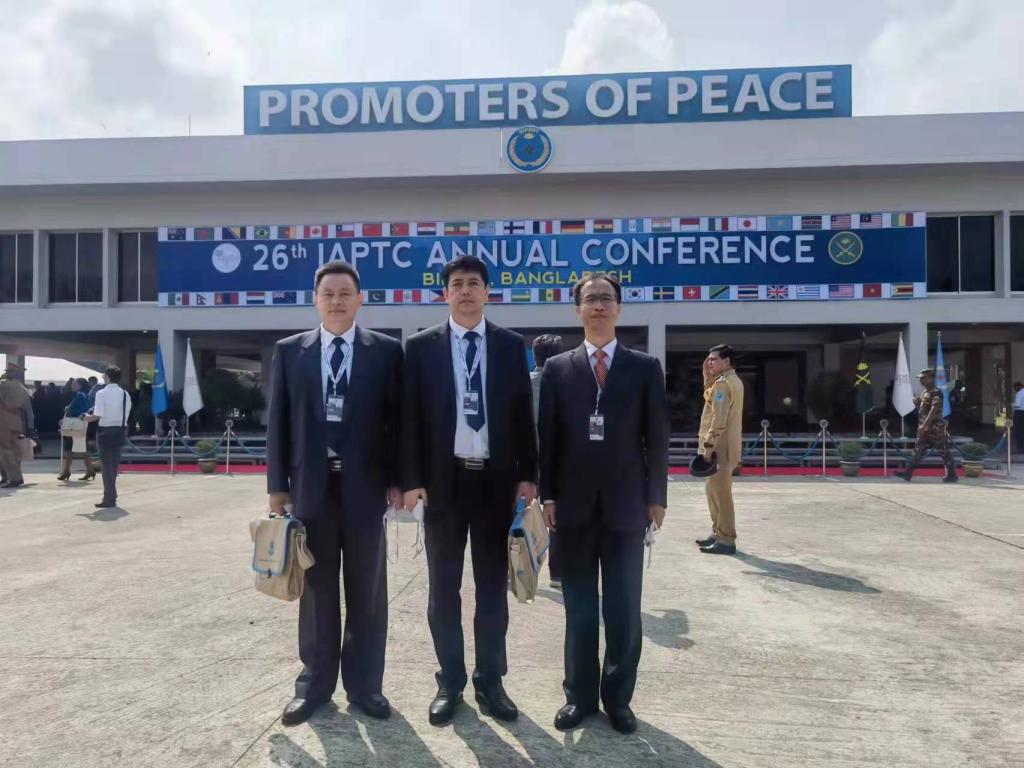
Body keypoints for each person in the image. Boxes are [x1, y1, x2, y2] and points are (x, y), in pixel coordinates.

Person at [401, 255, 537, 726]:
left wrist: (528, 474)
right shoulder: (420, 347)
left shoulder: (509, 345)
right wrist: (412, 480)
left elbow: (522, 415)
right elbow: (409, 419)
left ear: (487, 292)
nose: (465, 291)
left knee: (492, 588)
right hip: (444, 485)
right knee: (443, 589)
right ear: (445, 293)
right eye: (456, 284)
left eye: (473, 283)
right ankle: (450, 681)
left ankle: (491, 681)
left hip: (496, 484)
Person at [267, 261, 403, 727]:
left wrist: (398, 478)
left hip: (366, 487)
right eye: (328, 294)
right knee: (317, 589)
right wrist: (276, 486)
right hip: (311, 487)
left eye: (346, 293)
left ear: (360, 299)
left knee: (367, 589)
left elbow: (397, 423)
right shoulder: (291, 351)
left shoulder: (385, 351)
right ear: (316, 299)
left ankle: (365, 686)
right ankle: (314, 686)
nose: (337, 301)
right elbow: (279, 422)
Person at [538, 273, 669, 734]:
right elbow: (548, 438)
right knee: (578, 610)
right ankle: (578, 697)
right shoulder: (558, 369)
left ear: (619, 308)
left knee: (623, 610)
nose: (598, 305)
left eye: (605, 298)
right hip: (571, 509)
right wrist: (547, 494)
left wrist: (657, 497)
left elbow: (656, 436)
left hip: (627, 507)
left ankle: (618, 699)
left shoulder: (644, 367)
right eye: (590, 299)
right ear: (577, 309)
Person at [695, 345, 745, 555]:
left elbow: (718, 419)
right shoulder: (727, 381)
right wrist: (707, 377)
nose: (709, 362)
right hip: (723, 446)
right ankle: (718, 532)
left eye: (714, 359)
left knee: (721, 494)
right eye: (708, 359)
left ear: (727, 361)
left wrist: (708, 448)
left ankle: (726, 539)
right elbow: (712, 400)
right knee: (713, 491)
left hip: (720, 447)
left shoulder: (723, 384)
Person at [531, 333, 564, 589]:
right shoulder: (569, 383)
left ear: (535, 356)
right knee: (557, 517)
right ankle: (557, 574)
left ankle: (518, 567)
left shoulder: (523, 383)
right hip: (559, 461)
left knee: (520, 515)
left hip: (528, 460)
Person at [895, 369, 957, 483]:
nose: (921, 380)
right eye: (920, 378)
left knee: (944, 451)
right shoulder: (924, 392)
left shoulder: (936, 392)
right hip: (924, 430)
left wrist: (925, 425)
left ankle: (952, 474)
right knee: (918, 450)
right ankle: (907, 473)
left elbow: (934, 410)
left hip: (935, 429)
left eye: (923, 378)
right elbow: (922, 404)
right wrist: (916, 400)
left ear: (931, 378)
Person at [85, 367, 133, 507]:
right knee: (114, 465)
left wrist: (86, 417)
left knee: (106, 466)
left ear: (107, 377)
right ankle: (112, 495)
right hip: (120, 430)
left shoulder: (101, 393)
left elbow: (97, 415)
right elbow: (127, 413)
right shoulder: (125, 394)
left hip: (105, 431)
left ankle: (109, 497)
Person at [0, 362, 34, 488]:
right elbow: (29, 411)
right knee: (14, 452)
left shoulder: (3, 385)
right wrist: (31, 427)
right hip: (17, 423)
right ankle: (11, 477)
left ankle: (13, 478)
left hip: (3, 423)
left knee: (6, 453)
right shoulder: (23, 389)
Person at [58, 378, 95, 482]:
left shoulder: (80, 395)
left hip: (75, 424)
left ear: (80, 385)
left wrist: (68, 409)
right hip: (80, 424)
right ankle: (69, 471)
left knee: (75, 448)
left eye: (74, 384)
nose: (72, 386)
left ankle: (68, 471)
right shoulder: (85, 394)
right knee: (76, 448)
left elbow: (85, 409)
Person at [1013, 382, 1024, 454]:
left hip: (1019, 413)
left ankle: (1020, 450)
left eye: (1015, 388)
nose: (1014, 390)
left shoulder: (1019, 393)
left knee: (1019, 431)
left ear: (1018, 386)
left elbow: (1017, 405)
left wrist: (1012, 405)